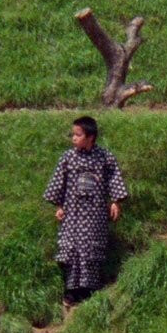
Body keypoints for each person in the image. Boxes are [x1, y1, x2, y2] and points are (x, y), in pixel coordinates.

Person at [43, 115, 129, 309]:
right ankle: (71, 293)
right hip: (73, 214)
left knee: (91, 251)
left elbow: (114, 178)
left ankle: (89, 292)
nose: (74, 138)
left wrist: (116, 201)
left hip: (95, 214)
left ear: (90, 137)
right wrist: (59, 206)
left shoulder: (104, 157)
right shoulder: (68, 158)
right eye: (73, 134)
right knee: (71, 251)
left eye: (78, 135)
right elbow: (59, 182)